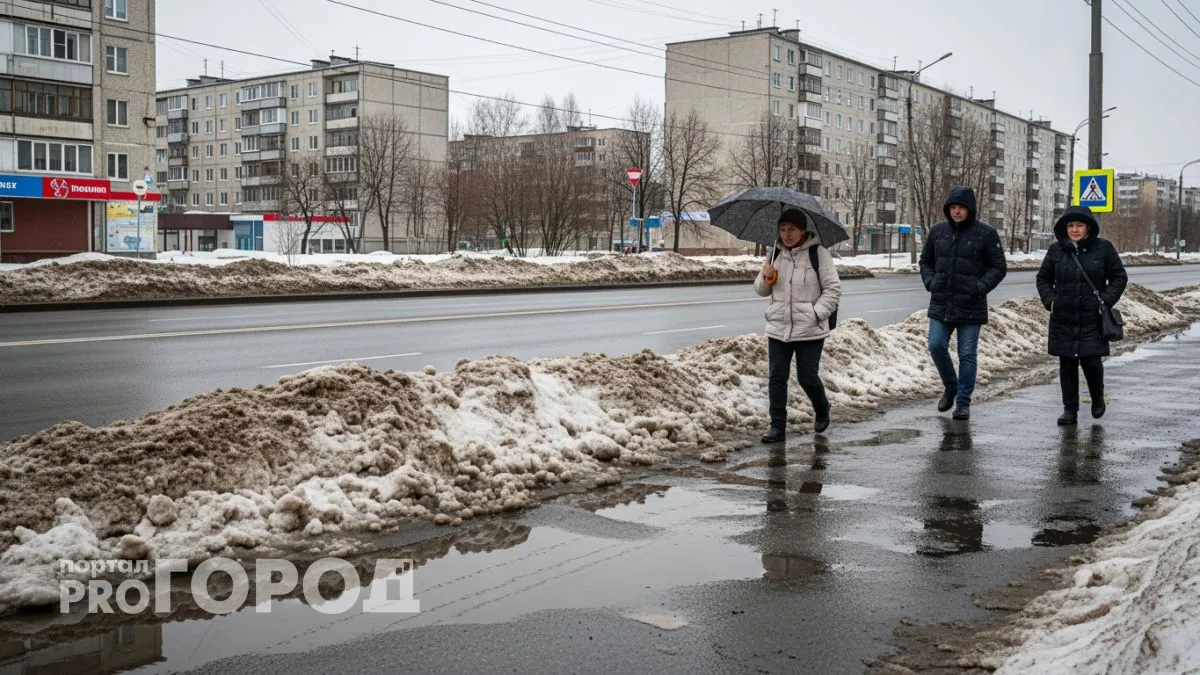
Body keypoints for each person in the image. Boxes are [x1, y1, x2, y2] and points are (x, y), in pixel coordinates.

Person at [919, 186, 1008, 421]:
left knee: (967, 354)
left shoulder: (986, 234)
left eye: (961, 208)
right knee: (936, 345)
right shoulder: (938, 231)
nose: (957, 212)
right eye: (953, 207)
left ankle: (963, 402)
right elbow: (925, 260)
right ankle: (951, 386)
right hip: (942, 302)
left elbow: (999, 267)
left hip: (971, 304)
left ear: (970, 209)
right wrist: (930, 281)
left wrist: (979, 288)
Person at [754, 208, 841, 442]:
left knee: (807, 377)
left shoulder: (819, 254)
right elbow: (761, 290)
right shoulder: (775, 253)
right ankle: (777, 427)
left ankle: (822, 408)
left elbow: (833, 290)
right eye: (782, 229)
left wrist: (815, 314)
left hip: (810, 329)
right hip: (778, 326)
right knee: (776, 377)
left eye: (792, 229)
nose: (786, 234)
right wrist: (766, 276)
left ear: (803, 230)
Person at [1035, 205, 1127, 425]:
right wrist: (1051, 301)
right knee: (1067, 364)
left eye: (1079, 225)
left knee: (1091, 362)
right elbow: (1043, 278)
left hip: (1091, 316)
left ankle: (1097, 398)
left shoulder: (1104, 248)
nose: (1074, 230)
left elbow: (1119, 277)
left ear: (1088, 227)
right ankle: (1070, 410)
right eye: (1070, 226)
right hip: (1063, 316)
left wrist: (1104, 301)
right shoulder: (1056, 250)